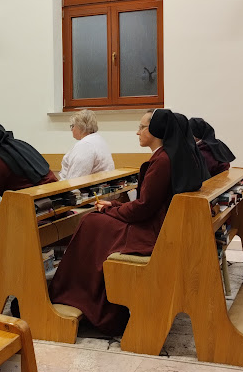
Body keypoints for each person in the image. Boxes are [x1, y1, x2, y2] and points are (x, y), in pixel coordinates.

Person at [48, 109, 209, 336]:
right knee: (94, 222)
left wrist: (112, 208)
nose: (137, 132)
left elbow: (143, 207)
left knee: (91, 223)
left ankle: (78, 296)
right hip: (159, 224)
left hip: (151, 231)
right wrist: (115, 207)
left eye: (141, 127)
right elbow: (148, 203)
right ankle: (78, 292)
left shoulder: (162, 160)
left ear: (156, 130)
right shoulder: (170, 155)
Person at [59, 109, 115, 180]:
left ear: (81, 126)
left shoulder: (85, 145)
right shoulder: (98, 140)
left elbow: (76, 178)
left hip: (84, 185)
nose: (71, 129)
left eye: (73, 126)